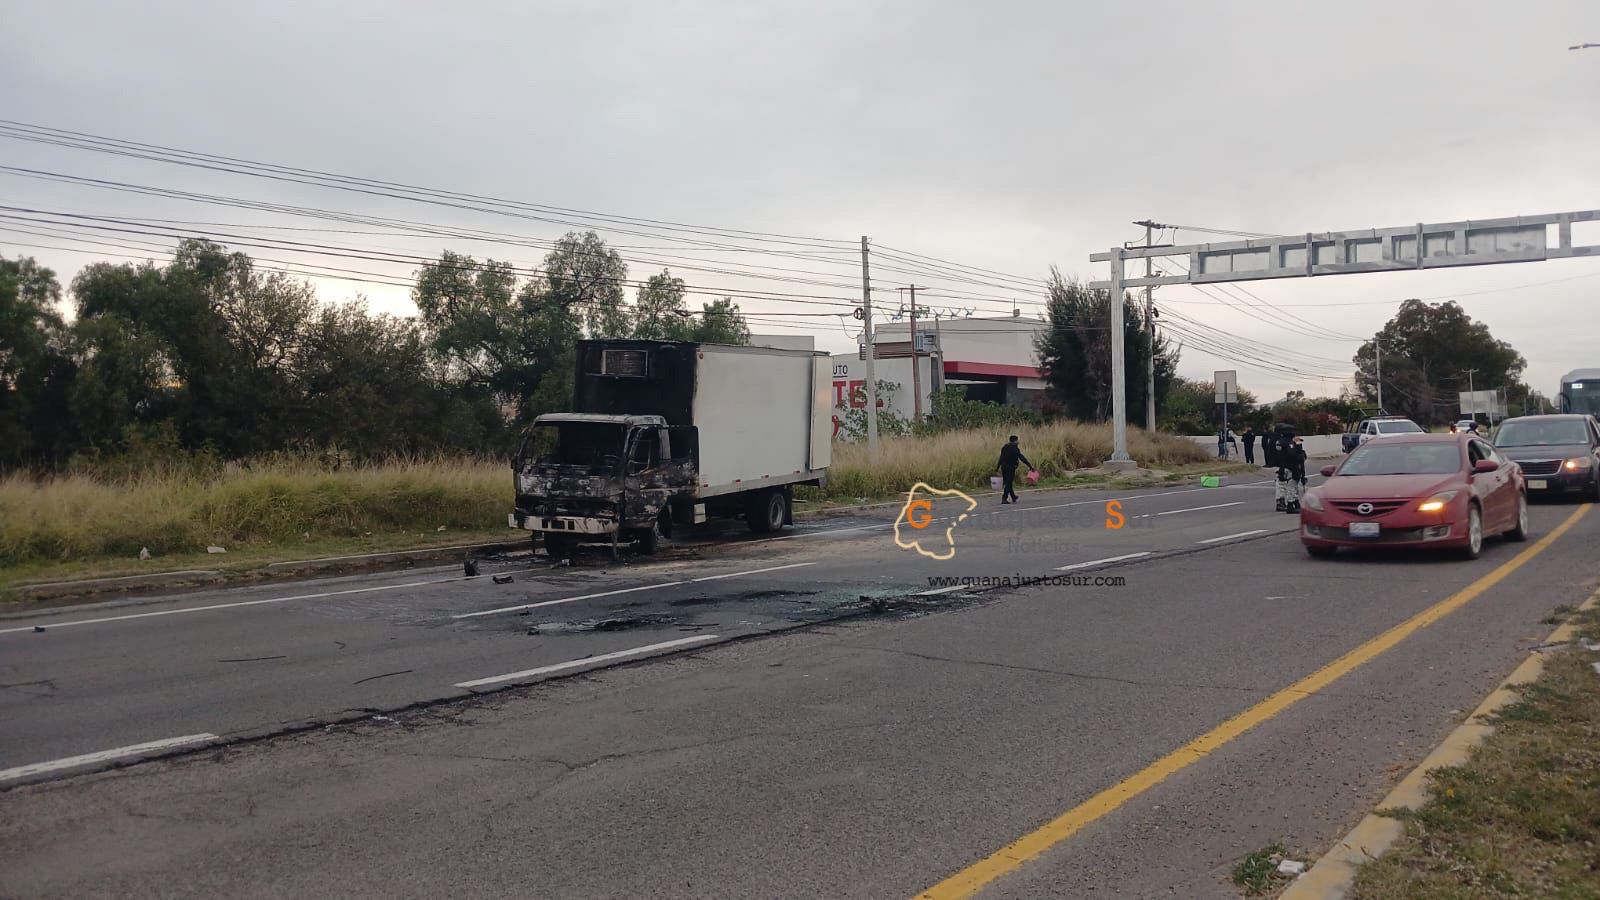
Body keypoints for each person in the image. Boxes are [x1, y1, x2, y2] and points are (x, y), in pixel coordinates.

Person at [996, 435, 1032, 505]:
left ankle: (1013, 496)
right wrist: (1029, 465)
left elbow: (1001, 457)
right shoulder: (1014, 448)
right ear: (1015, 441)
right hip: (1010, 467)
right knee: (1008, 483)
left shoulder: (1005, 447)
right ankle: (1004, 498)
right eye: (1017, 440)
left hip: (1003, 467)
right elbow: (1021, 457)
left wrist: (997, 467)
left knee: (1007, 482)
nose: (1018, 442)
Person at [1271, 422, 1298, 511]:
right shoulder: (1282, 440)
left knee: (1281, 484)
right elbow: (1291, 454)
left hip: (1279, 464)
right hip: (1282, 464)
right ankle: (1282, 502)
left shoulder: (1276, 439)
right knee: (1283, 484)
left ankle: (1281, 501)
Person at [1282, 435, 1308, 514]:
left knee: (1294, 487)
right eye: (1298, 440)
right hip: (1291, 470)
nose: (1299, 443)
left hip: (1296, 470)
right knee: (1291, 487)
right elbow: (1292, 458)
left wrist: (1303, 475)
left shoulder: (1299, 451)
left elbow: (1302, 463)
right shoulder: (1291, 448)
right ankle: (1290, 504)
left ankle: (1295, 502)